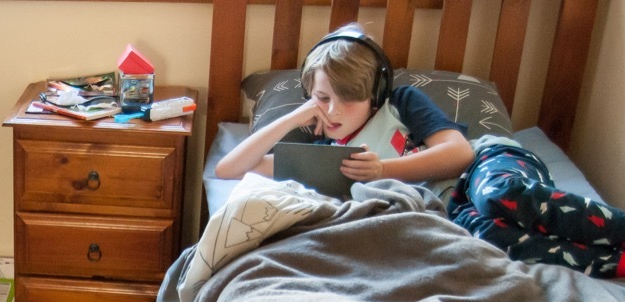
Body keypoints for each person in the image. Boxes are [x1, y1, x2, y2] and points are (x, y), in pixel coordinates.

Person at [214, 24, 473, 191]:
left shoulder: (401, 103)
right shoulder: (326, 157)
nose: (332, 111)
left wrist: (382, 170)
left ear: (376, 92)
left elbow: (460, 154)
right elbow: (228, 170)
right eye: (322, 98)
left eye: (348, 98)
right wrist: (291, 119)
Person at [447, 136, 625, 278]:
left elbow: (458, 151)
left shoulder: (427, 109)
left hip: (486, 159)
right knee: (488, 239)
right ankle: (617, 262)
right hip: (456, 208)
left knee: (499, 193)